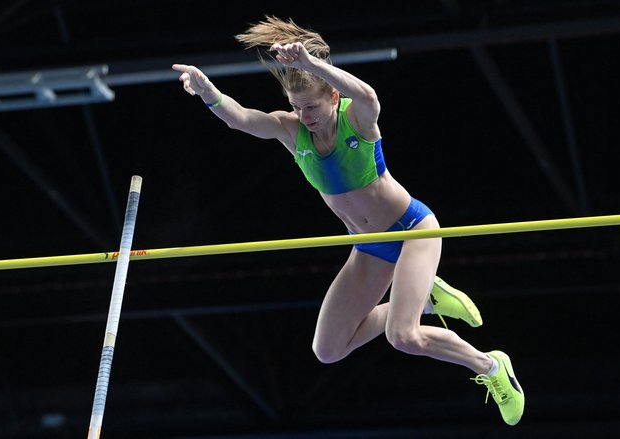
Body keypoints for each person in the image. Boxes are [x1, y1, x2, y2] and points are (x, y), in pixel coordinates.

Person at [172, 15, 524, 426]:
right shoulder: (291, 132)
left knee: (402, 336)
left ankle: (492, 367)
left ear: (334, 97)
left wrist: (313, 65)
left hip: (412, 231)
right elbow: (241, 118)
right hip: (370, 247)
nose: (303, 116)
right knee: (329, 348)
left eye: (311, 106)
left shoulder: (356, 120)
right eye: (296, 107)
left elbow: (370, 95)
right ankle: (422, 294)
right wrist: (207, 92)